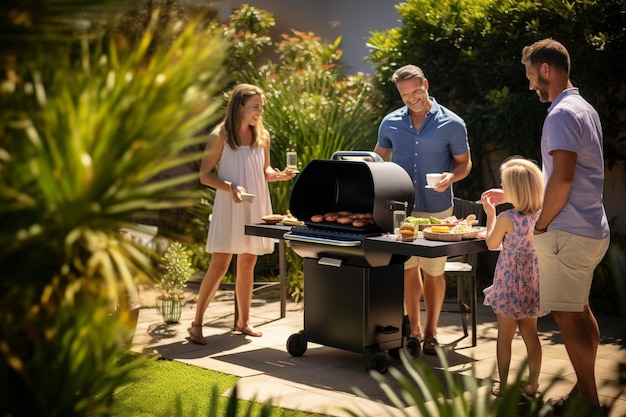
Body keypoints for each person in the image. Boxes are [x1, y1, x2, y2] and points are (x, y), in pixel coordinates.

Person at [374, 64, 472, 354]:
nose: (412, 99)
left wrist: (451, 177)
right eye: (405, 95)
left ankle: (431, 332)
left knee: (433, 271)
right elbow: (378, 158)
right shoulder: (390, 122)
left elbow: (464, 163)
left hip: (439, 210)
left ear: (426, 84)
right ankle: (414, 330)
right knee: (407, 270)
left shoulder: (452, 123)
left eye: (416, 92)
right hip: (401, 209)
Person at [188, 83, 296, 345]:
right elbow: (204, 176)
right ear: (239, 107)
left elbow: (264, 171)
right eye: (255, 106)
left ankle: (243, 322)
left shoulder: (263, 136)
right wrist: (230, 188)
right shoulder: (220, 136)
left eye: (261, 106)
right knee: (219, 266)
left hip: (255, 205)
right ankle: (197, 324)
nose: (260, 111)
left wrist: (279, 176)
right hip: (230, 207)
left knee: (248, 263)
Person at [481, 157, 549, 398]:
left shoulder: (506, 218)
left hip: (509, 283)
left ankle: (504, 383)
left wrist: (490, 214)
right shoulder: (543, 216)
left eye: (505, 184)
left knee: (505, 337)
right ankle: (532, 385)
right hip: (532, 282)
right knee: (532, 335)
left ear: (513, 190)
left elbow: (491, 244)